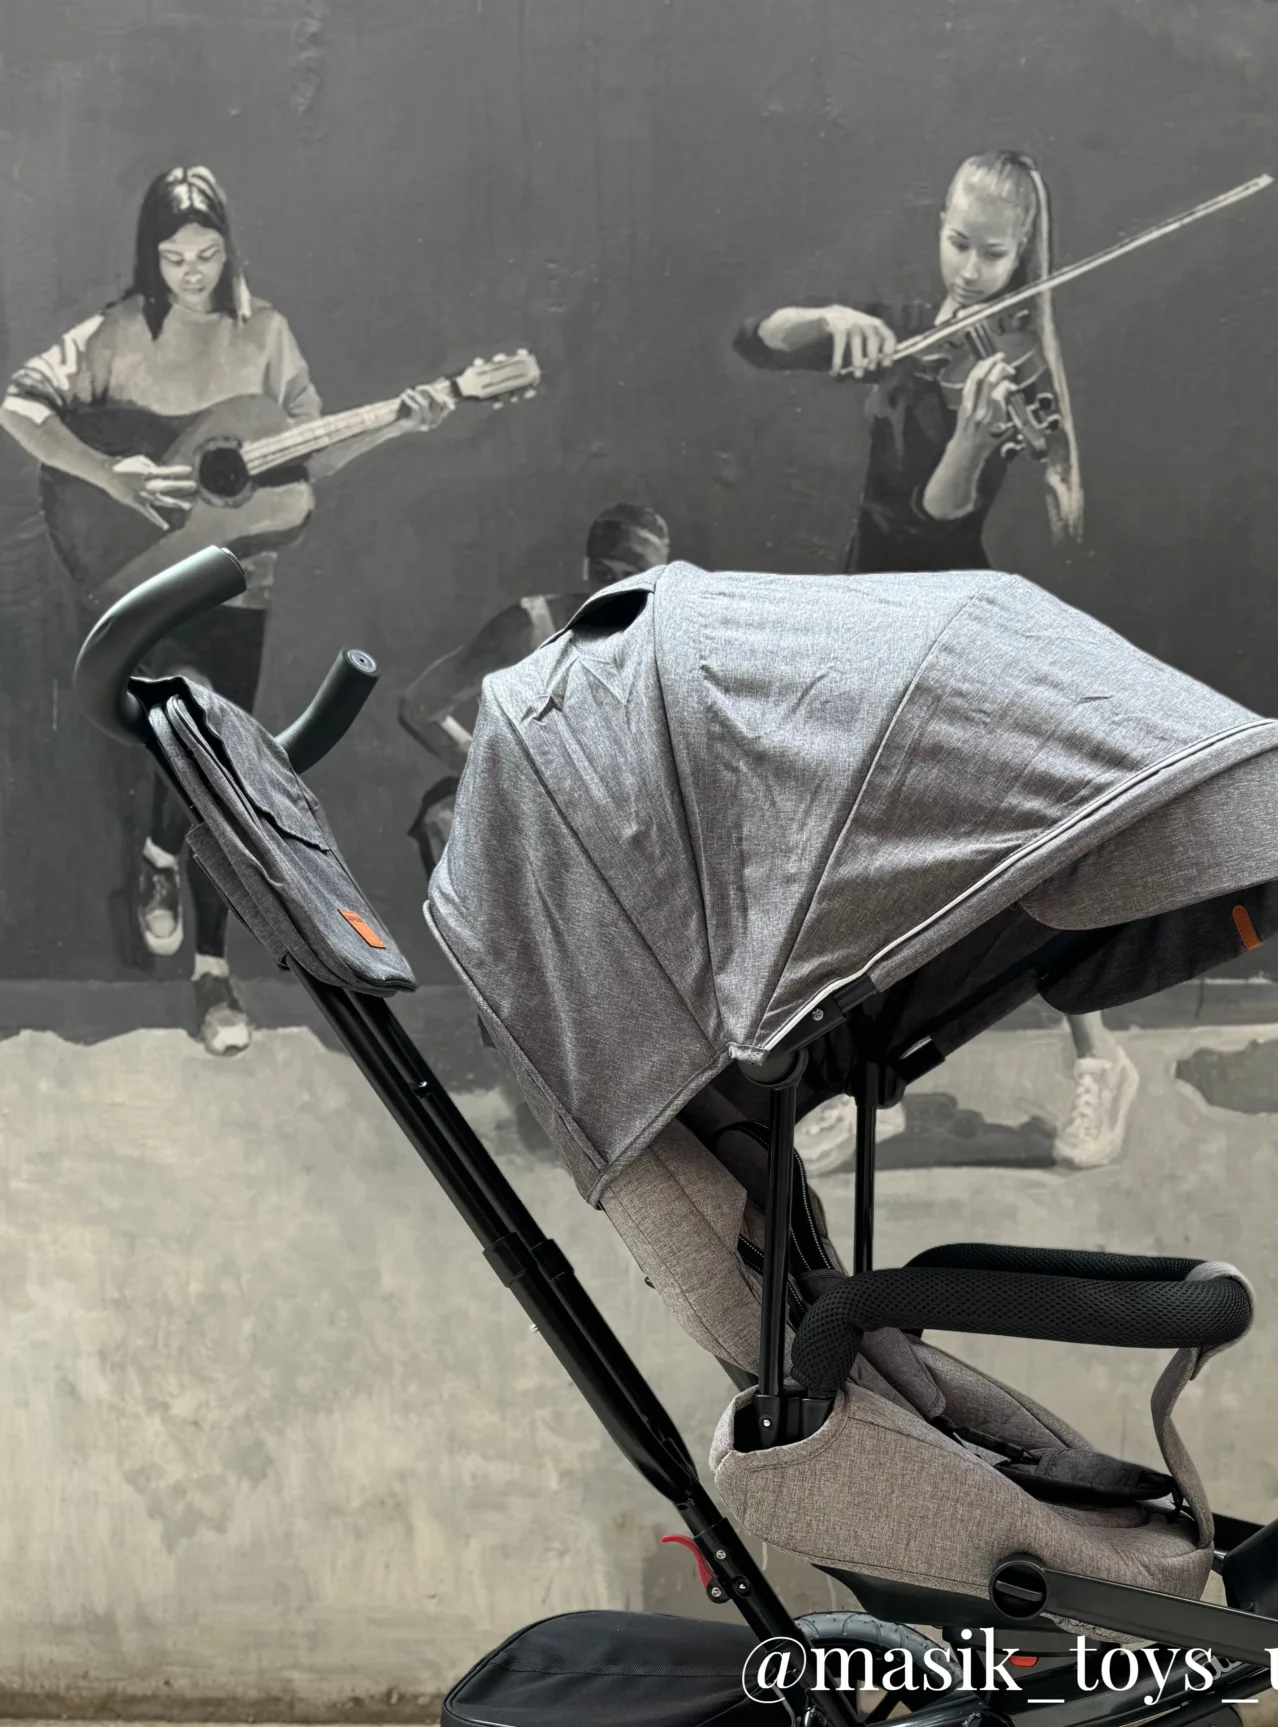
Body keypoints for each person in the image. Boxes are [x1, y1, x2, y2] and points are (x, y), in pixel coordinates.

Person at [734, 149, 1139, 1174]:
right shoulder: (907, 324)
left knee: (1008, 853)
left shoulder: (1011, 373)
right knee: (853, 859)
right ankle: (870, 1086)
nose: (969, 269)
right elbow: (756, 342)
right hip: (864, 608)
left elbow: (935, 520)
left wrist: (971, 436)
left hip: (946, 619)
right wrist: (828, 319)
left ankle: (1101, 1059)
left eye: (993, 255)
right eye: (958, 242)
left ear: (1024, 256)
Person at [0, 165, 454, 1053]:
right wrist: (111, 476)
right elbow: (19, 406)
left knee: (223, 767)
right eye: (173, 258)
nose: (191, 272)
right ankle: (186, 921)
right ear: (151, 256)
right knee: (199, 732)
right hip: (142, 579)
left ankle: (206, 957)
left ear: (229, 250)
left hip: (242, 583)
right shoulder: (116, 333)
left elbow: (308, 455)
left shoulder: (266, 335)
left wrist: (402, 422)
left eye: (206, 255)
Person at [399, 501, 672, 873]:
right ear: (586, 568)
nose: (613, 589)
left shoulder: (666, 652)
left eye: (631, 577)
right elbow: (419, 706)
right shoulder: (530, 625)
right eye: (603, 573)